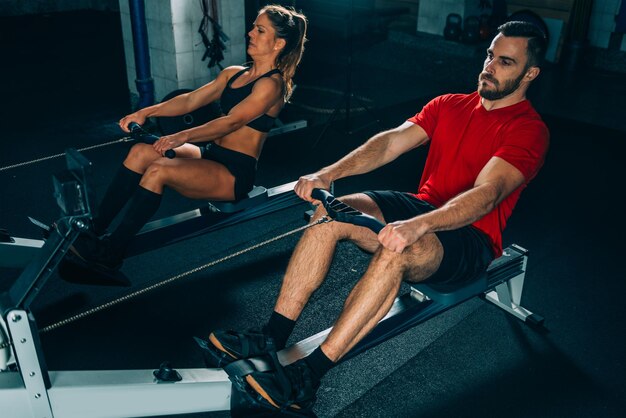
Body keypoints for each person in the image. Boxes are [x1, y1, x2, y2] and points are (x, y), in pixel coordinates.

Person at [206, 21, 550, 412]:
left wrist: (420, 225)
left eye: (505, 62)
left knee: (397, 253)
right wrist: (328, 173)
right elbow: (389, 143)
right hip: (422, 208)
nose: (489, 66)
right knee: (332, 211)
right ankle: (271, 335)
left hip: (469, 239)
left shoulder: (528, 131)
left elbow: (487, 195)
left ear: (530, 73)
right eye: (490, 55)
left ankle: (307, 378)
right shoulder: (450, 104)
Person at [71, 5, 307, 270]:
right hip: (210, 155)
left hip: (234, 173)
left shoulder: (271, 85)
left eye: (260, 30)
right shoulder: (233, 73)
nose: (250, 33)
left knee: (159, 170)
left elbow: (231, 122)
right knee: (140, 152)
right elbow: (190, 100)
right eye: (253, 26)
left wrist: (179, 136)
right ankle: (93, 230)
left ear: (278, 43)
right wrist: (145, 112)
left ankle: (112, 252)